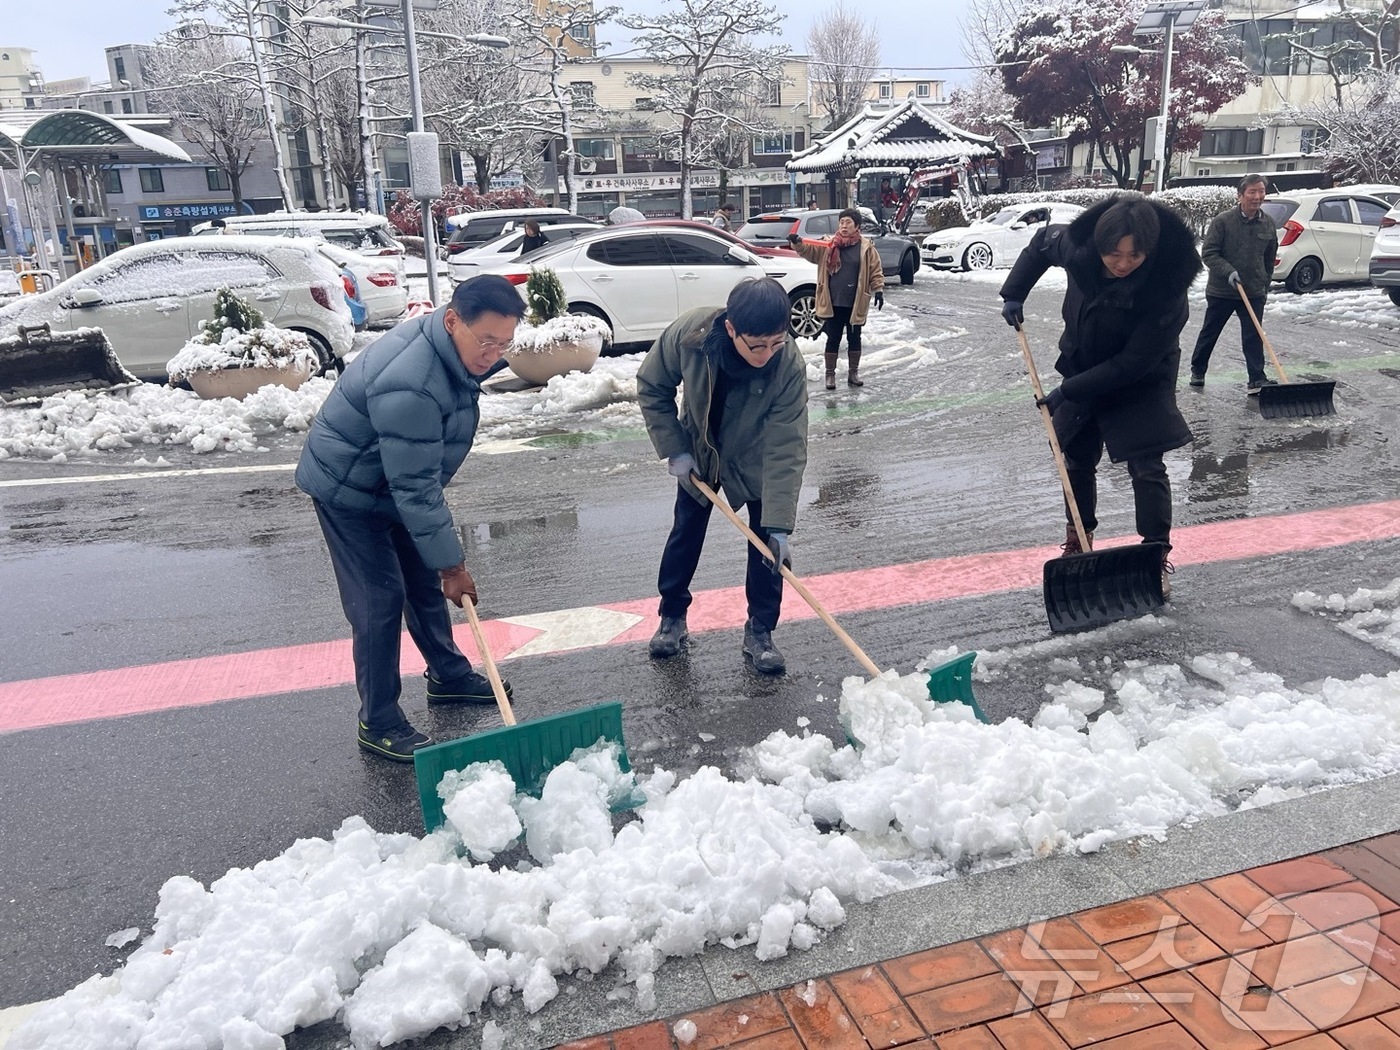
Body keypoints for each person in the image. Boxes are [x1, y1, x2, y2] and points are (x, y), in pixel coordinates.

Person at [295, 275, 525, 762]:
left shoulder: (448, 354)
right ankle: (377, 720)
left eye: (504, 343)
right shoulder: (413, 381)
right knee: (379, 599)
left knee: (423, 580)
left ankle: (448, 675)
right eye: (486, 341)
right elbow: (416, 487)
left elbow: (415, 480)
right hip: (349, 488)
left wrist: (439, 565)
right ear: (451, 320)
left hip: (393, 479)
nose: (493, 354)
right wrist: (454, 565)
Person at [998, 194, 1202, 597]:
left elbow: (1131, 364)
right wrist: (1014, 291)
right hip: (1084, 358)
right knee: (1073, 453)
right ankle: (1080, 536)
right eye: (1113, 255)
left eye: (1134, 255)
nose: (1123, 264)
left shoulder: (1167, 288)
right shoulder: (1077, 247)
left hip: (1141, 379)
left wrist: (1067, 390)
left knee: (1146, 464)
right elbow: (1041, 243)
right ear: (1098, 247)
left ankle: (1154, 553)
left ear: (1151, 250)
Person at [637, 278, 809, 675]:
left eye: (777, 343)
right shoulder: (689, 335)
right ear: (731, 329)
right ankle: (672, 617)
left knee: (767, 547)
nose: (767, 354)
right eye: (757, 345)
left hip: (757, 456)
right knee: (686, 531)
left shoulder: (787, 365)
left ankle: (761, 631)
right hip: (700, 450)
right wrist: (676, 447)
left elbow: (788, 443)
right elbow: (651, 385)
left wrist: (780, 525)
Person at [1188, 173, 1278, 395]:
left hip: (1254, 289)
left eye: (1261, 191)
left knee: (1253, 335)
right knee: (1211, 331)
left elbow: (1269, 256)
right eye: (1252, 192)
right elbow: (1208, 253)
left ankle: (1256, 379)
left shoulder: (1267, 223)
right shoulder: (1223, 221)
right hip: (1222, 290)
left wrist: (1265, 283)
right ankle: (1198, 370)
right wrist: (1228, 271)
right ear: (1240, 196)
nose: (1257, 197)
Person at [787, 208, 885, 389]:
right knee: (833, 338)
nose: (844, 226)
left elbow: (875, 270)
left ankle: (853, 373)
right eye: (841, 222)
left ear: (857, 226)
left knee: (855, 338)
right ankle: (830, 375)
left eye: (848, 222)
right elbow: (809, 251)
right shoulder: (828, 245)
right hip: (833, 301)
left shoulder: (866, 247)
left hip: (855, 302)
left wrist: (878, 289)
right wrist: (797, 244)